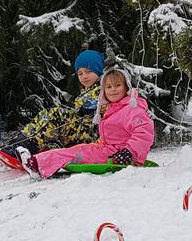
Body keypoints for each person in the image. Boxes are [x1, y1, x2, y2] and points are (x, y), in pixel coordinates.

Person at [18, 67, 155, 179]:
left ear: (127, 88)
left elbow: (144, 133)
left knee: (77, 154)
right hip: (109, 150)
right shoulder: (113, 108)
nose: (113, 89)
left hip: (120, 156)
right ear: (104, 91)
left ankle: (36, 165)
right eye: (108, 87)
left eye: (117, 85)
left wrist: (129, 152)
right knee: (78, 149)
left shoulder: (132, 109)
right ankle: (37, 161)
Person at [3, 50, 105, 156]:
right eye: (80, 73)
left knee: (56, 114)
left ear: (97, 70)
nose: (84, 76)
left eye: (88, 71)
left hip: (92, 135)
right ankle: (20, 142)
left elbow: (113, 103)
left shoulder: (105, 88)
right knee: (45, 114)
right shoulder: (88, 90)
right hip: (81, 132)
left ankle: (26, 147)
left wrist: (94, 106)